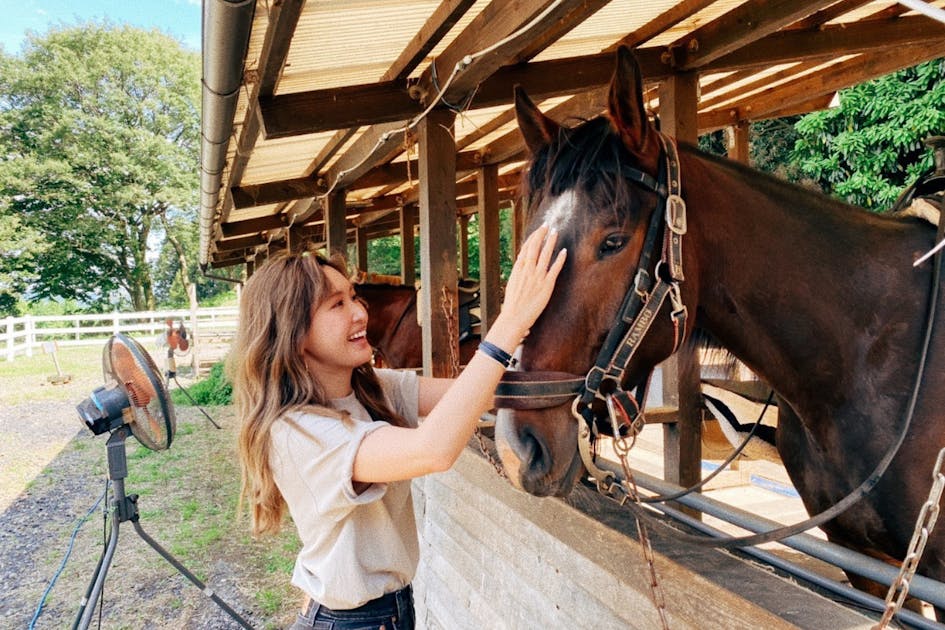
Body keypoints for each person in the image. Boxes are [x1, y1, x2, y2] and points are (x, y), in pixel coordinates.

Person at [230, 225, 566, 630]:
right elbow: (433, 449)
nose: (360, 312)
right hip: (349, 622)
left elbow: (477, 392)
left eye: (354, 297)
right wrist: (508, 324)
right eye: (336, 305)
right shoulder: (297, 431)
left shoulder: (371, 388)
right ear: (294, 333)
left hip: (387, 612)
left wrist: (585, 387)